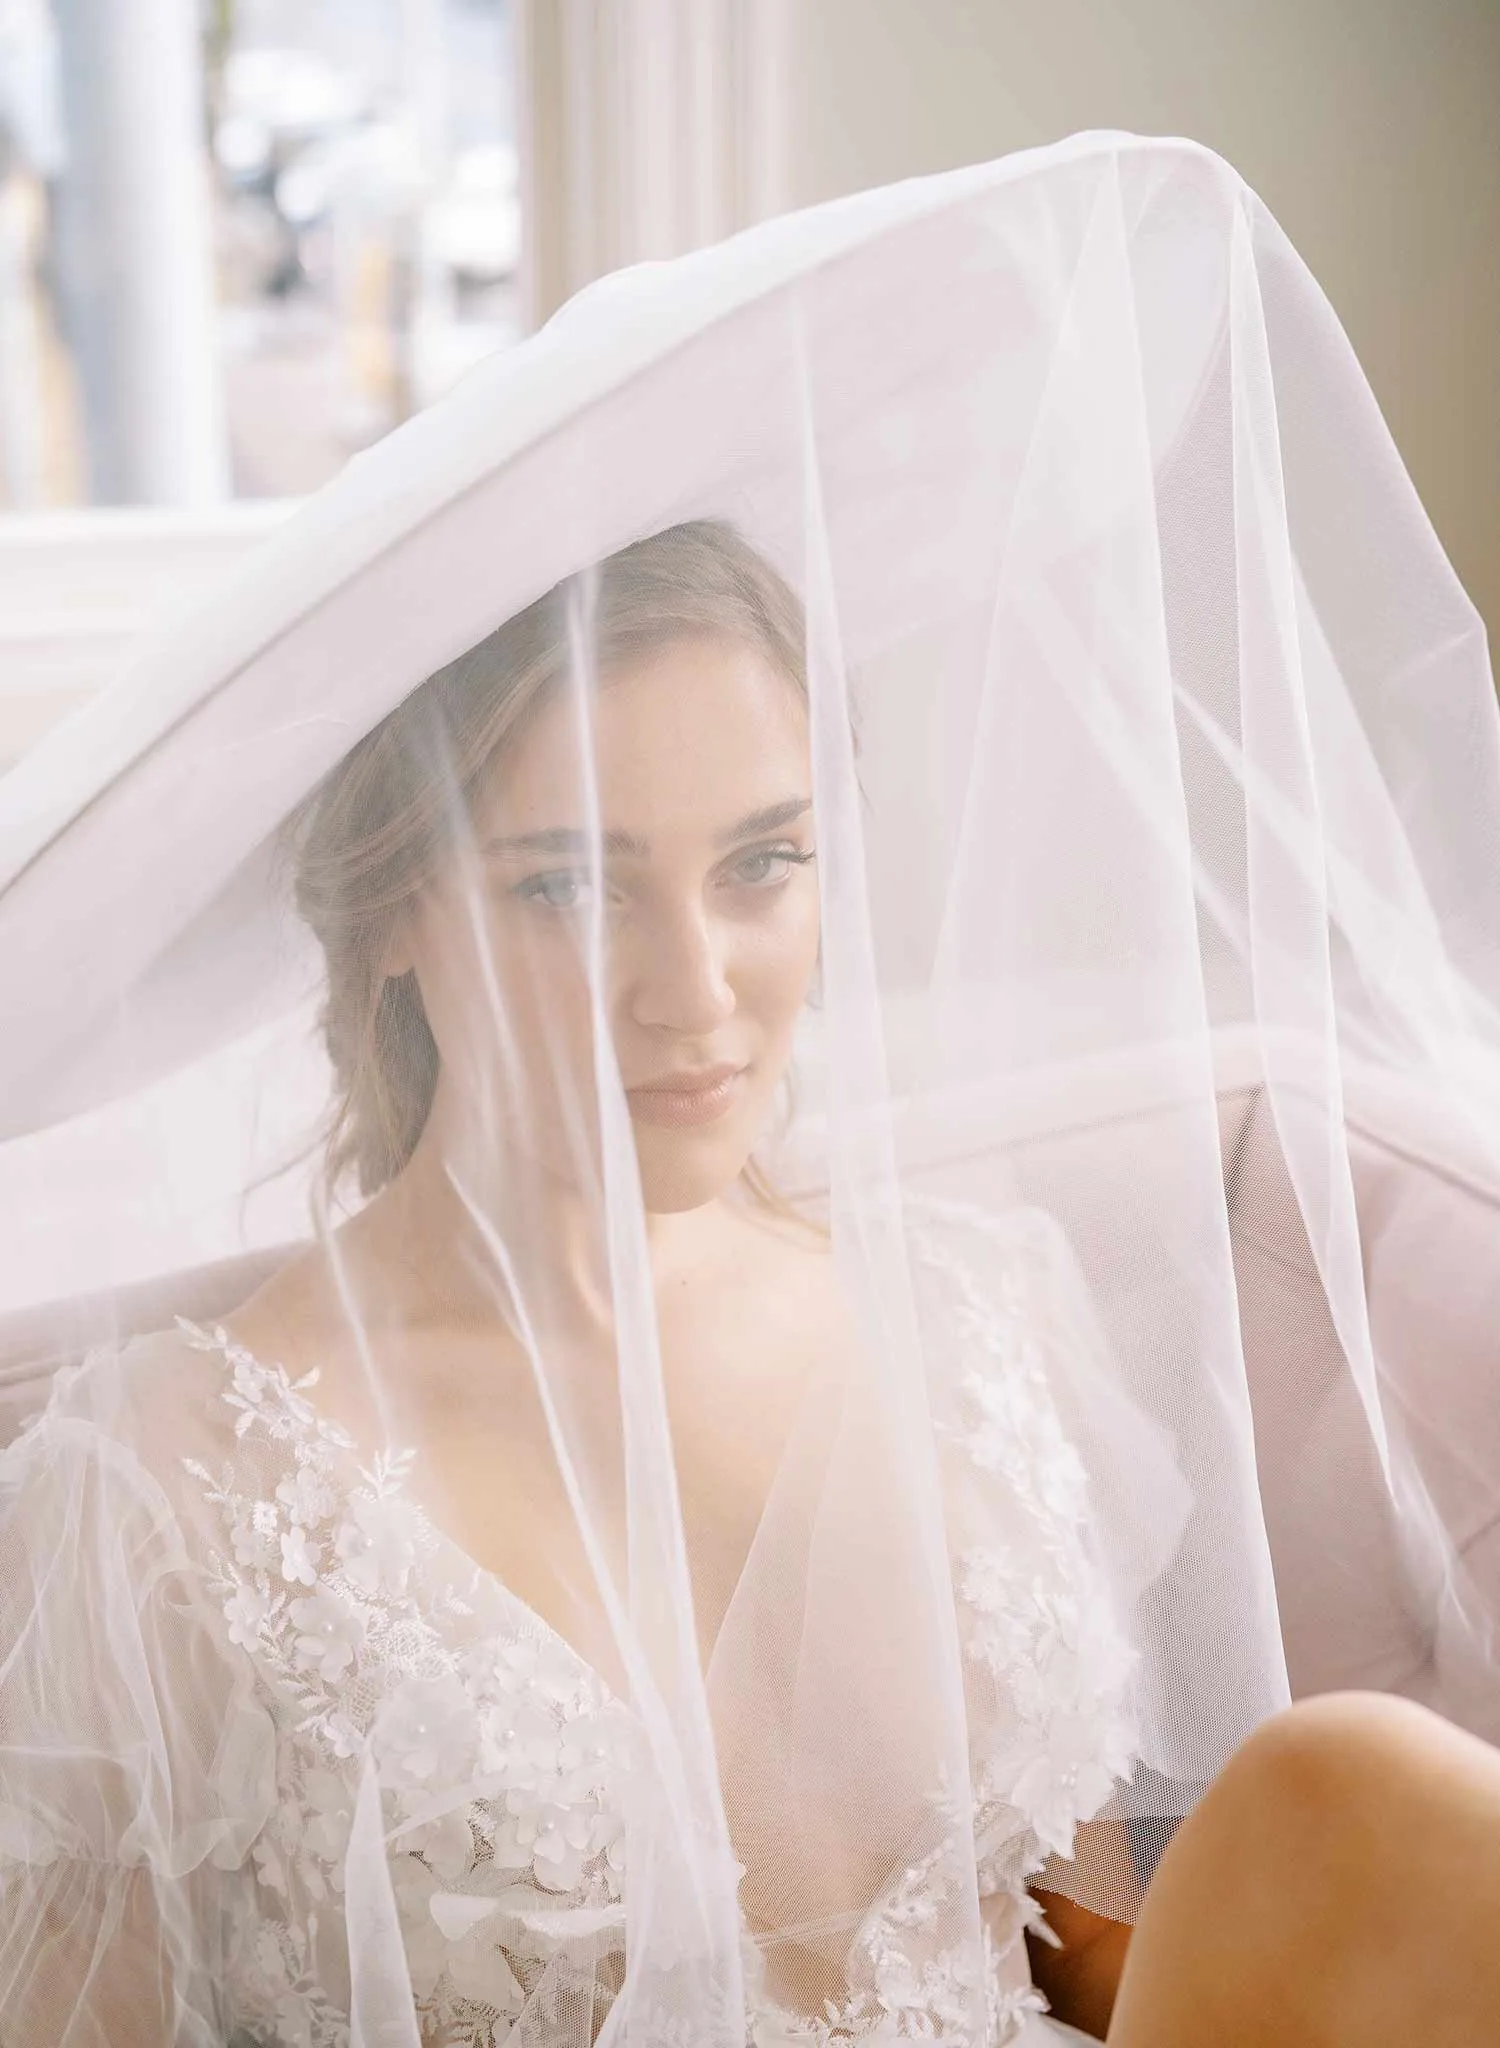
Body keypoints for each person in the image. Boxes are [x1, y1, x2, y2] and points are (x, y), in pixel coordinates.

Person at [1, 134, 1499, 2046]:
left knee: (1358, 1793)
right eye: (570, 884)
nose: (696, 993)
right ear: (389, 914)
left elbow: (1078, 1927)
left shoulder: (976, 1308)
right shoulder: (165, 1498)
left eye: (764, 863)